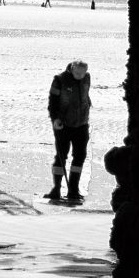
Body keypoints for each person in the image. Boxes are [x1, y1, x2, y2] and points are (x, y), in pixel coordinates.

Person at [44, 60, 92, 201]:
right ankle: (56, 189)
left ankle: (73, 190)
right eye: (77, 73)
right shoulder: (59, 80)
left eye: (83, 73)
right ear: (72, 69)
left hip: (82, 124)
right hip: (63, 125)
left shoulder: (87, 78)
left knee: (80, 156)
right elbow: (52, 102)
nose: (80, 76)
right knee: (61, 157)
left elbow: (85, 96)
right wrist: (55, 119)